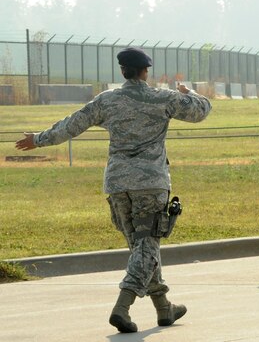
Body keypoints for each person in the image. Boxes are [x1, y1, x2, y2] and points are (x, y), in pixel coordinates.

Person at [14, 47, 212, 334]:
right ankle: (122, 307)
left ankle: (163, 306)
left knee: (142, 247)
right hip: (150, 184)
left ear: (123, 71)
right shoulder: (163, 99)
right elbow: (201, 111)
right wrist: (188, 92)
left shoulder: (107, 101)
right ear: (146, 71)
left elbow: (72, 125)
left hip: (118, 186)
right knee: (147, 246)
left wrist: (39, 139)